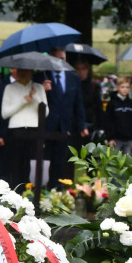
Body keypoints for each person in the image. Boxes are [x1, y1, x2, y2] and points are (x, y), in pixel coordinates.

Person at [41, 47, 88, 186]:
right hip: (47, 126)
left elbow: (78, 103)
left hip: (66, 127)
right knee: (45, 160)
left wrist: (82, 125)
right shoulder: (42, 77)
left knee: (61, 161)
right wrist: (42, 90)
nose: (59, 62)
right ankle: (42, 191)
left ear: (65, 59)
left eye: (62, 59)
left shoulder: (73, 78)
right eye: (56, 59)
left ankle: (57, 191)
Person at [1, 68, 49, 189]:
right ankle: (14, 194)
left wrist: (35, 97)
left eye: (26, 71)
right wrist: (23, 101)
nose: (23, 74)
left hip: (34, 130)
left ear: (31, 72)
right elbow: (5, 113)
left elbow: (46, 112)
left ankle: (30, 194)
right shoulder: (9, 88)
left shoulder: (38, 87)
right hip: (16, 130)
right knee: (15, 165)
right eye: (20, 71)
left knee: (31, 165)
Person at [104, 77, 132, 155]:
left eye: (127, 87)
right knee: (114, 163)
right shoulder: (112, 103)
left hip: (128, 139)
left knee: (126, 163)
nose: (125, 89)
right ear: (117, 87)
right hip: (115, 140)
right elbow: (107, 121)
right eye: (122, 87)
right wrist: (110, 138)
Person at [74, 60, 100, 139]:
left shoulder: (93, 85)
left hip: (90, 123)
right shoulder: (72, 85)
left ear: (87, 70)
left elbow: (98, 107)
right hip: (74, 123)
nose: (80, 71)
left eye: (83, 69)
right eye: (78, 69)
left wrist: (100, 126)